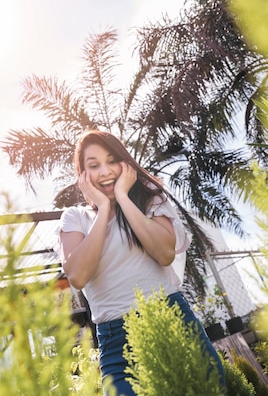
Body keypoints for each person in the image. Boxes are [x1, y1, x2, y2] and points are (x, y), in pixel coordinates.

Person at [59, 130, 227, 395]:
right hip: (116, 342)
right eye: (93, 165)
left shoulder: (151, 201)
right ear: (83, 175)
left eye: (112, 160)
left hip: (171, 318)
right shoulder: (75, 218)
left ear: (125, 164)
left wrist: (123, 199)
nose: (105, 172)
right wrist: (103, 209)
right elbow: (78, 276)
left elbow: (164, 253)